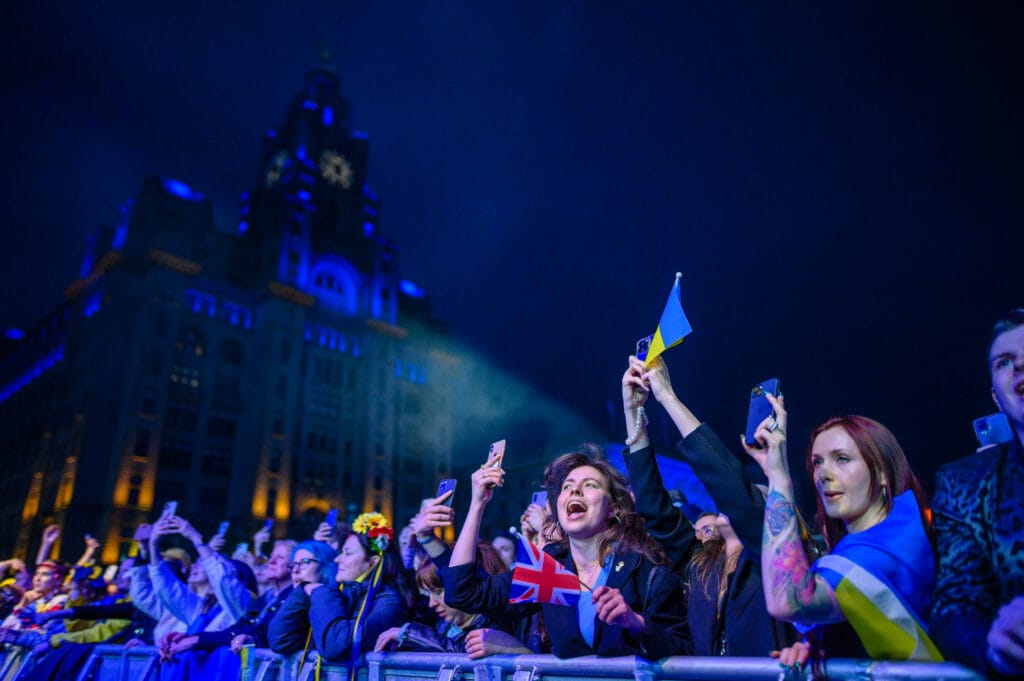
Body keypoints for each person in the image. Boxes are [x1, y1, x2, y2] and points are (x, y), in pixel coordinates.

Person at [441, 447, 690, 659]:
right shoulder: (548, 567)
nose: (575, 491)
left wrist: (634, 623)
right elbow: (462, 593)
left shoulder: (644, 567)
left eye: (590, 485)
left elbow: (684, 650)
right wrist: (477, 503)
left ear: (612, 507)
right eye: (567, 487)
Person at [747, 395, 940, 664]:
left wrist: (778, 477)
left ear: (883, 472)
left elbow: (786, 600)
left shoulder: (890, 546)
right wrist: (814, 646)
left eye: (842, 458)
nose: (824, 474)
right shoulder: (886, 536)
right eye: (818, 462)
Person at [622, 355, 793, 657]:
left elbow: (730, 488)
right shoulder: (700, 561)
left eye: (756, 493)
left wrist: (668, 397)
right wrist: (633, 410)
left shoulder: (775, 560)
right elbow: (652, 506)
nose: (742, 495)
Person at [931, 309, 1024, 677]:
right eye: (1005, 362)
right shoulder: (966, 483)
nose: (1019, 365)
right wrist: (994, 642)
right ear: (996, 398)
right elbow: (954, 605)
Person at [267, 540, 338, 655]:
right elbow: (279, 641)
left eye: (305, 562)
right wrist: (300, 594)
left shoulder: (338, 600)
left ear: (326, 568)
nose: (295, 570)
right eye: (294, 564)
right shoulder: (297, 602)